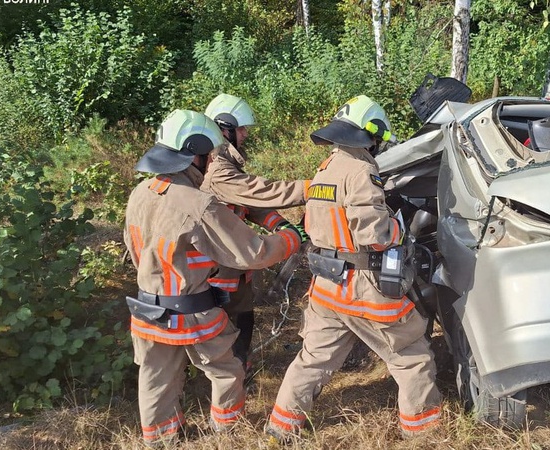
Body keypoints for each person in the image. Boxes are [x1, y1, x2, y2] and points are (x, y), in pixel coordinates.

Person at [123, 109, 306, 447]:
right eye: (208, 154)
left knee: (156, 381)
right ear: (194, 153)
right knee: (228, 370)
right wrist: (291, 239)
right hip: (192, 313)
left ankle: (161, 441)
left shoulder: (140, 194)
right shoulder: (197, 203)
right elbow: (251, 252)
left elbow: (133, 250)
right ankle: (226, 433)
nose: (211, 162)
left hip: (147, 310)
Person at [265, 95, 442, 442]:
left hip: (328, 287)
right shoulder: (362, 169)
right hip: (363, 289)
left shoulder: (326, 168)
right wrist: (399, 228)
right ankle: (424, 433)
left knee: (313, 360)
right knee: (410, 354)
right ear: (370, 135)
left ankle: (281, 427)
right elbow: (373, 234)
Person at [201, 93, 310, 373]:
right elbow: (261, 191)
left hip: (234, 264)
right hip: (218, 267)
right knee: (226, 330)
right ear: (223, 129)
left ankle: (241, 370)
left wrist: (279, 224)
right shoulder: (218, 170)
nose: (245, 134)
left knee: (244, 321)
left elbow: (248, 205)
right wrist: (315, 188)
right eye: (240, 129)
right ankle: (229, 379)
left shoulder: (225, 163)